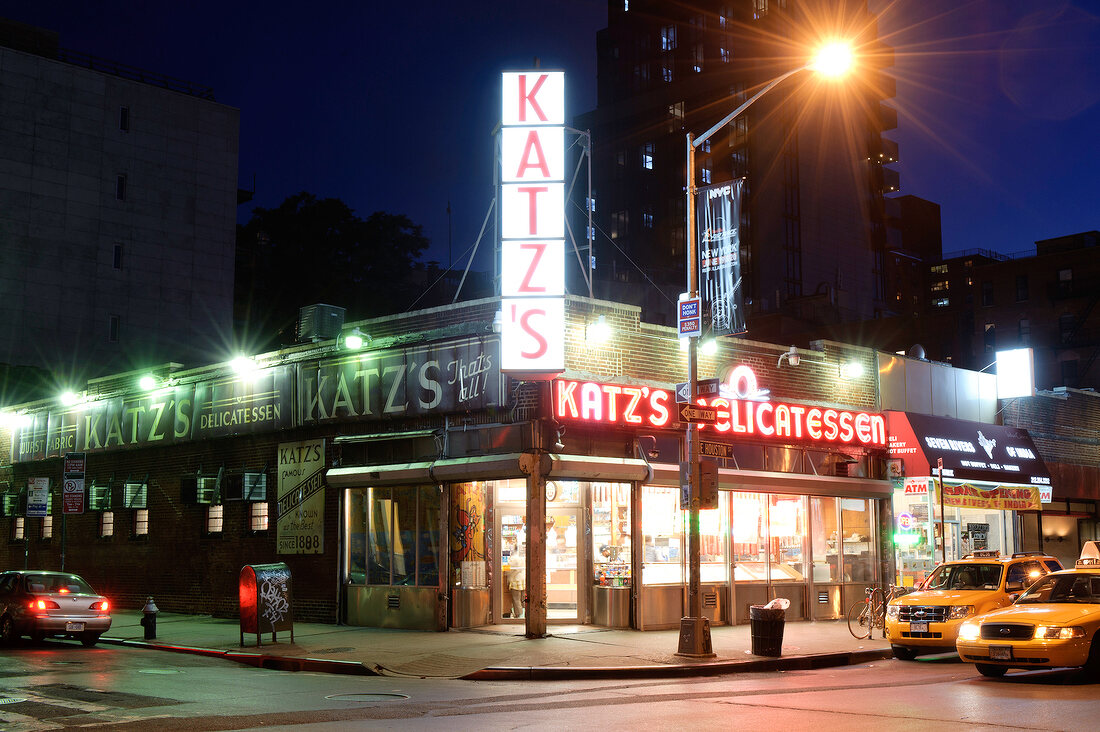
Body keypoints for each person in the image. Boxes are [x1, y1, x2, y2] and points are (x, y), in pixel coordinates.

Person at [508, 542, 526, 619]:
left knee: (516, 599)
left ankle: (518, 614)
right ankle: (525, 614)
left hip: (515, 580)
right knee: (522, 598)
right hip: (522, 580)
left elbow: (509, 569)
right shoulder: (522, 557)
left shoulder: (513, 558)